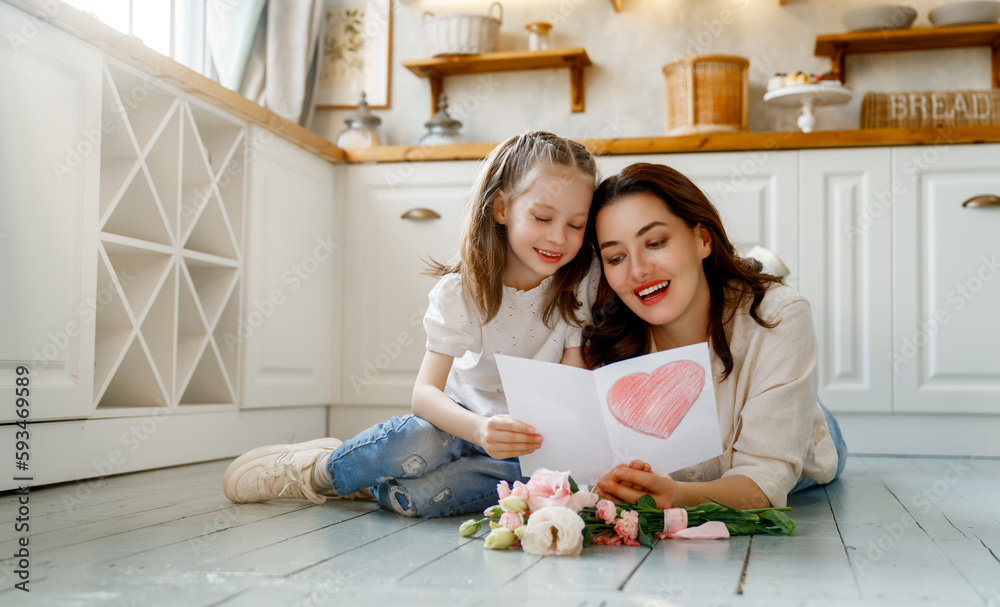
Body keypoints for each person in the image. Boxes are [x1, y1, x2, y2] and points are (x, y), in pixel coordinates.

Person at [223, 131, 600, 518]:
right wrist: (479, 430)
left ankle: (371, 480)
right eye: (542, 217)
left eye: (576, 225)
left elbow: (570, 384)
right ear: (501, 208)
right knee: (414, 443)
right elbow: (424, 395)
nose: (559, 237)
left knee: (421, 499)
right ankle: (321, 470)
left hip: (518, 450)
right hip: (455, 424)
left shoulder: (581, 280)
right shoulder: (462, 293)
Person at [584, 162, 846, 511]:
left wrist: (676, 497)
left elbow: (766, 481)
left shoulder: (782, 315)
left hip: (808, 439)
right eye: (616, 257)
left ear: (703, 239)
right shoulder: (602, 330)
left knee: (801, 426)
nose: (638, 270)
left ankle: (756, 272)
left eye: (656, 242)